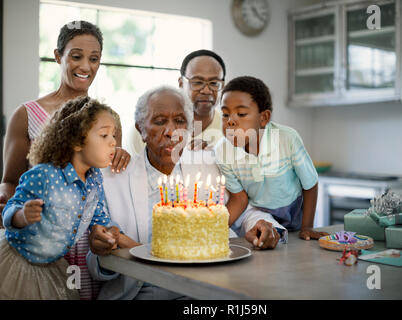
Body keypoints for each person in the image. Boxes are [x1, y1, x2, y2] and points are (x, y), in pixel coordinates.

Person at [87, 85, 280, 299]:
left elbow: (243, 210)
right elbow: (96, 265)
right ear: (141, 129)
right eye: (160, 121)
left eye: (180, 121)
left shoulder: (208, 164)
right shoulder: (113, 178)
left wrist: (262, 225)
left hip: (205, 289)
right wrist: (100, 249)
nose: (172, 132)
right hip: (141, 293)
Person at [0, 21, 130, 299]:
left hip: (87, 244)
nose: (86, 66)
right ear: (58, 56)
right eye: (76, 56)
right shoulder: (26, 115)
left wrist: (122, 154)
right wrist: (16, 213)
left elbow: (106, 188)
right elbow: (10, 181)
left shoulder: (106, 121)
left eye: (94, 59)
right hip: (38, 239)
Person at [215, 76, 329, 244]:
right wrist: (214, 231)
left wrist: (307, 227)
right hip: (261, 213)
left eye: (241, 114)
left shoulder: (287, 138)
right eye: (225, 114)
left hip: (294, 211)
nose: (230, 121)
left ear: (264, 118)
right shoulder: (222, 150)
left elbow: (310, 184)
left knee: (297, 251)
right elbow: (239, 199)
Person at [127, 49, 226, 156]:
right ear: (181, 83)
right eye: (197, 82)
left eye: (214, 83)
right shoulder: (146, 129)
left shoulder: (230, 131)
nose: (206, 90)